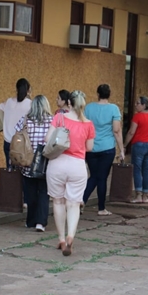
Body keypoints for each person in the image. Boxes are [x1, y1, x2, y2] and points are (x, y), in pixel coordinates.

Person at [45, 90, 95, 256]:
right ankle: (70, 236)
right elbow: (89, 148)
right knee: (73, 204)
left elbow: (48, 139)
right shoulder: (88, 124)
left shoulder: (59, 118)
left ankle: (60, 238)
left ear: (69, 103)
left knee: (58, 202)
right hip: (77, 166)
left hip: (57, 163)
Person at [82, 84, 125, 216]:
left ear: (97, 93)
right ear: (109, 94)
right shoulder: (114, 109)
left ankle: (81, 201)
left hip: (91, 147)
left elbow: (84, 127)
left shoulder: (89, 108)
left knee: (93, 176)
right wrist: (122, 149)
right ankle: (101, 208)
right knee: (102, 178)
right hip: (107, 148)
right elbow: (116, 131)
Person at [14, 95, 53, 232]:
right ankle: (41, 223)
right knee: (43, 192)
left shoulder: (25, 120)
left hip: (28, 160)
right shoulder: (52, 120)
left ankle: (30, 221)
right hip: (45, 160)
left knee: (30, 193)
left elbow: (17, 135)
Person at [124, 96, 148, 204]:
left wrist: (125, 144)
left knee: (137, 170)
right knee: (146, 170)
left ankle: (138, 195)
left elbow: (131, 132)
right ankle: (145, 196)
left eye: (138, 103)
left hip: (139, 145)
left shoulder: (137, 117)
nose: (136, 105)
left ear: (144, 105)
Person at [0, 78, 32, 167]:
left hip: (7, 140)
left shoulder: (9, 102)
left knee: (10, 169)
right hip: (21, 141)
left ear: (16, 89)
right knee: (22, 169)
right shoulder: (30, 104)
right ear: (28, 90)